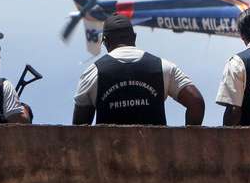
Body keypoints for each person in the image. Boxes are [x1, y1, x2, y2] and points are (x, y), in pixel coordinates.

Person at [72, 13, 205, 125]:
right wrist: (187, 142)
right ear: (134, 37)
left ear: (105, 41)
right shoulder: (163, 66)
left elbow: (79, 129)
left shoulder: (93, 73)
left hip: (110, 155)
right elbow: (196, 102)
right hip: (157, 154)